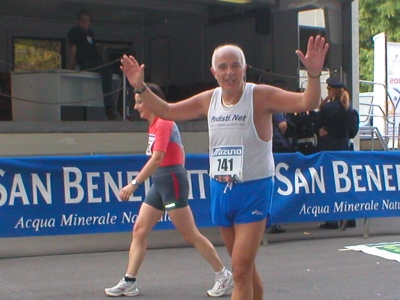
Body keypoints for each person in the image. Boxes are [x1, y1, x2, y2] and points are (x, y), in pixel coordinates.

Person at [120, 35, 329, 300]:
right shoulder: (210, 99)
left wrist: (313, 74)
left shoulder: (260, 96)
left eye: (235, 65)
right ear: (213, 72)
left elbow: (306, 102)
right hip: (220, 189)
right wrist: (140, 87)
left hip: (254, 189)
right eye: (223, 66)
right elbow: (168, 110)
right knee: (246, 270)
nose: (229, 72)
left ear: (245, 68)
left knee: (239, 271)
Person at [104, 83, 232, 297]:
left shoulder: (163, 122)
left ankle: (223, 275)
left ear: (153, 101)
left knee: (190, 234)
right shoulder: (155, 125)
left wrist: (134, 184)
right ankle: (129, 281)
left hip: (170, 180)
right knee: (139, 230)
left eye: (139, 102)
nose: (136, 107)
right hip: (161, 181)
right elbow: (179, 150)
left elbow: (157, 158)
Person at [315, 77, 356, 229]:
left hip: (329, 148)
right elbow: (352, 130)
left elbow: (317, 124)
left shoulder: (328, 108)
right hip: (343, 148)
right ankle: (349, 217)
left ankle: (331, 219)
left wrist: (322, 106)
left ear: (331, 91)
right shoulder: (348, 108)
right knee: (344, 185)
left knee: (329, 184)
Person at [67, 10, 118, 120]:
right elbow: (73, 49)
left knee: (119, 69)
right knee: (106, 71)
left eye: (87, 21)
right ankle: (109, 107)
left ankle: (122, 105)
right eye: (83, 20)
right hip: (86, 62)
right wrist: (70, 67)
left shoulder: (90, 33)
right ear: (78, 21)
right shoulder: (74, 32)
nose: (85, 23)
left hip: (97, 61)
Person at [267, 112, 295, 234]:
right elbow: (283, 125)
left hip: (264, 148)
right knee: (276, 186)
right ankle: (273, 221)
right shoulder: (275, 108)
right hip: (277, 146)